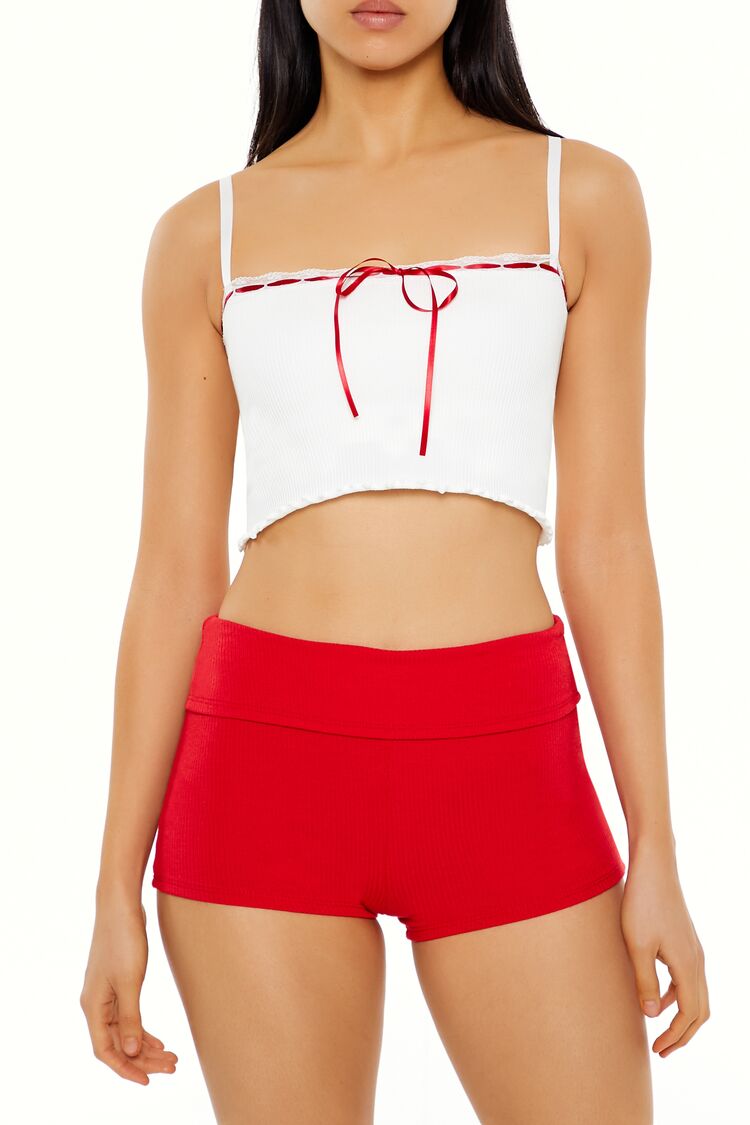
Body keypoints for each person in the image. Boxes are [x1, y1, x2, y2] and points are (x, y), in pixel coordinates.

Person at [80, 2, 709, 1121]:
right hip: (261, 772)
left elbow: (610, 539)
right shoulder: (202, 235)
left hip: (508, 762)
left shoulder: (583, 197)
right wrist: (112, 886)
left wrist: (654, 841)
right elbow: (173, 571)